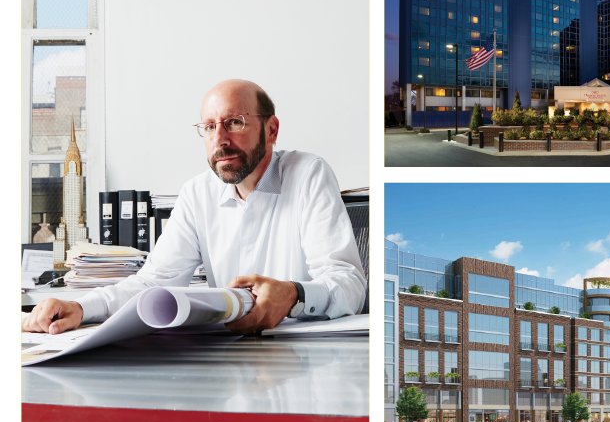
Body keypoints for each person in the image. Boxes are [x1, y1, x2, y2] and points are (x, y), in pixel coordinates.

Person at [22, 80, 366, 336]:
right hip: (229, 359)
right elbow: (152, 284)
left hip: (309, 357)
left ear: (271, 129)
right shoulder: (197, 194)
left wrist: (294, 295)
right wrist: (81, 306)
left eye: (235, 123)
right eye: (209, 127)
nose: (220, 139)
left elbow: (349, 284)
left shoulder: (308, 174)